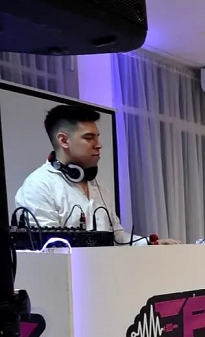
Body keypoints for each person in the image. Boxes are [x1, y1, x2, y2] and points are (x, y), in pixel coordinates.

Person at [14, 104, 179, 245]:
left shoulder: (98, 186)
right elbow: (48, 249)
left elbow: (117, 238)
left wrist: (150, 243)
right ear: (63, 140)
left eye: (97, 137)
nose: (98, 145)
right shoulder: (38, 187)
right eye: (89, 138)